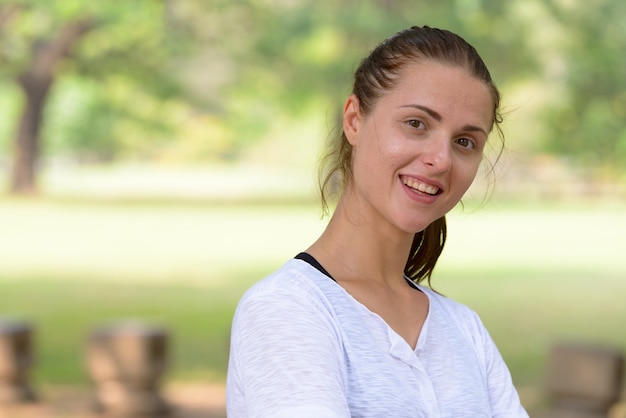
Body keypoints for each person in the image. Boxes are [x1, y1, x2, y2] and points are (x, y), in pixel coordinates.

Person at [226, 25, 529, 417]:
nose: (441, 159)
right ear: (353, 120)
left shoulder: (464, 330)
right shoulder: (286, 310)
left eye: (464, 141)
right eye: (416, 124)